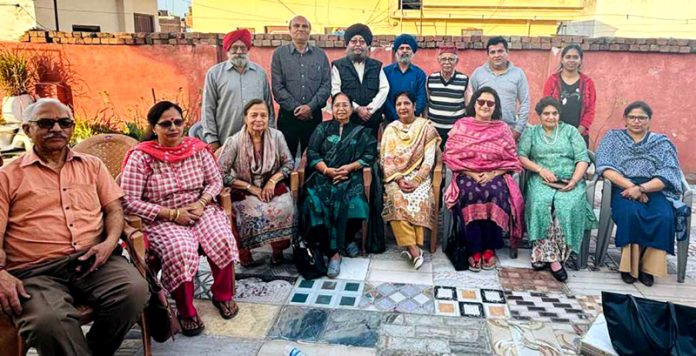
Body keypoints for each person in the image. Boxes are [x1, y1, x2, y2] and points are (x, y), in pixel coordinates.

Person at [0, 98, 148, 355]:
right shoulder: (8, 176)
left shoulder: (92, 166)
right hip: (35, 271)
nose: (56, 128)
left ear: (71, 127)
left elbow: (114, 210)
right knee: (50, 322)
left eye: (64, 122)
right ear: (27, 129)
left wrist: (108, 244)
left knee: (134, 292)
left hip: (93, 260)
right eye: (46, 123)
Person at [121, 101, 239, 336]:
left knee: (222, 237)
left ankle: (223, 295)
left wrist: (202, 202)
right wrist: (173, 214)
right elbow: (128, 200)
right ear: (154, 127)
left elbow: (215, 181)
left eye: (178, 122)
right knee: (181, 250)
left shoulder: (197, 148)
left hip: (199, 209)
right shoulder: (142, 157)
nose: (173, 127)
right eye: (166, 123)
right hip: (161, 217)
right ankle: (186, 311)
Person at [595, 101, 684, 287]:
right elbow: (603, 167)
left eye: (642, 118)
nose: (637, 121)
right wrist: (631, 187)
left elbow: (669, 172)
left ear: (649, 121)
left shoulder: (661, 142)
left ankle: (647, 268)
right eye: (632, 117)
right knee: (631, 213)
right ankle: (630, 267)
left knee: (663, 216)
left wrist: (642, 188)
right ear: (625, 120)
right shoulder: (613, 138)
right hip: (622, 187)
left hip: (654, 187)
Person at [443, 87, 524, 271]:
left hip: (495, 172)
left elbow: (512, 158)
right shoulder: (462, 125)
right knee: (471, 193)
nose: (485, 106)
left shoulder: (502, 128)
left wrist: (492, 174)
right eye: (481, 102)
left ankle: (489, 247)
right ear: (474, 104)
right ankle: (474, 248)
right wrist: (471, 173)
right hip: (466, 172)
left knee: (494, 192)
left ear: (495, 107)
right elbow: (450, 154)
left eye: (490, 103)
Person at [517, 97, 597, 282]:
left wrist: (575, 180)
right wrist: (540, 169)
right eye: (546, 113)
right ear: (540, 115)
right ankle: (551, 259)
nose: (551, 117)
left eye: (554, 113)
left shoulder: (570, 131)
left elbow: (582, 158)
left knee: (565, 205)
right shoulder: (532, 132)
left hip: (570, 178)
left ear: (559, 115)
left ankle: (549, 256)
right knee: (540, 203)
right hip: (541, 178)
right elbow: (522, 156)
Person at [301, 92, 377, 278]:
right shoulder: (322, 128)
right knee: (314, 202)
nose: (341, 109)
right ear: (331, 109)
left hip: (350, 177)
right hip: (323, 176)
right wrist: (327, 170)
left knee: (354, 201)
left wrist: (348, 168)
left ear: (352, 109)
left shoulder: (362, 131)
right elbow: (312, 153)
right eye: (337, 105)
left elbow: (369, 155)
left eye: (345, 105)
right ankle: (334, 253)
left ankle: (347, 239)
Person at [218, 99, 297, 267]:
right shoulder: (234, 141)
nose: (258, 119)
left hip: (272, 185)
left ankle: (278, 249)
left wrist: (272, 181)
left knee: (284, 206)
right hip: (243, 188)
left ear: (269, 118)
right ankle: (244, 252)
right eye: (254, 115)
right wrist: (250, 187)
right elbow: (221, 173)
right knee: (240, 212)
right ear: (245, 118)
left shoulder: (277, 136)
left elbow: (289, 163)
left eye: (263, 115)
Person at [381, 92, 440, 270]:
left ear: (415, 106)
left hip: (419, 176)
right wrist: (399, 179)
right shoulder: (391, 129)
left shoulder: (426, 127)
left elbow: (429, 160)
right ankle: (414, 249)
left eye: (407, 103)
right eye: (399, 104)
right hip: (396, 177)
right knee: (396, 199)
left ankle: (411, 245)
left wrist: (416, 180)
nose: (403, 107)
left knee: (420, 198)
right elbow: (386, 159)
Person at [202, 28, 275, 151]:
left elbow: (268, 106)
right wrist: (212, 139)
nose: (239, 52)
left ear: (248, 49)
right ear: (227, 50)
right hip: (226, 138)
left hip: (258, 139)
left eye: (243, 48)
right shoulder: (214, 74)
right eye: (234, 48)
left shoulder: (259, 73)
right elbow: (208, 108)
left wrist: (271, 133)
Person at [272, 15, 331, 156]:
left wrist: (310, 107)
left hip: (314, 115)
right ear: (289, 30)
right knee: (285, 156)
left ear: (310, 30)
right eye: (296, 26)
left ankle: (310, 179)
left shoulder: (320, 55)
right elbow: (277, 86)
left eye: (304, 26)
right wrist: (297, 108)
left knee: (313, 156)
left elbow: (326, 85)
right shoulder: (279, 54)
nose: (300, 29)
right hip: (288, 116)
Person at [331, 23, 389, 135]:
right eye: (354, 41)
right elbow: (335, 91)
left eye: (362, 42)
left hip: (371, 120)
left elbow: (384, 89)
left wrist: (370, 109)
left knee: (369, 151)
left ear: (367, 46)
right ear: (347, 44)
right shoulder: (338, 66)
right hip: (347, 120)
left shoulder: (377, 66)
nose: (358, 45)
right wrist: (357, 108)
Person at [468, 36, 530, 141]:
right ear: (488, 55)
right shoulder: (478, 73)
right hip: (482, 131)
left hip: (509, 131)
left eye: (500, 51)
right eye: (492, 52)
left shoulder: (518, 74)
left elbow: (525, 102)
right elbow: (470, 100)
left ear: (507, 52)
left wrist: (518, 131)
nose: (496, 55)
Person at [543, 44, 596, 146]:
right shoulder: (552, 81)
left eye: (575, 57)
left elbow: (590, 110)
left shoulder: (588, 82)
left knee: (579, 161)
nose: (571, 60)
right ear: (562, 60)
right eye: (568, 57)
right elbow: (545, 107)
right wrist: (556, 129)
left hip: (579, 135)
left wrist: (577, 132)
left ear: (580, 61)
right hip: (555, 134)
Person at [427, 46, 469, 149]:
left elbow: (468, 105)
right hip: (434, 129)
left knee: (452, 159)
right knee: (434, 158)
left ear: (457, 61)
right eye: (444, 59)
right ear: (439, 60)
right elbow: (428, 102)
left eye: (451, 59)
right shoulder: (431, 78)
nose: (447, 62)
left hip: (455, 130)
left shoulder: (464, 80)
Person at [383, 34, 427, 123]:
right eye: (401, 48)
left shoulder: (419, 74)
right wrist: (395, 115)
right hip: (391, 120)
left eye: (408, 48)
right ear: (396, 51)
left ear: (412, 52)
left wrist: (411, 115)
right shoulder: (386, 72)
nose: (404, 51)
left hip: (413, 121)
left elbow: (421, 97)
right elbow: (384, 96)